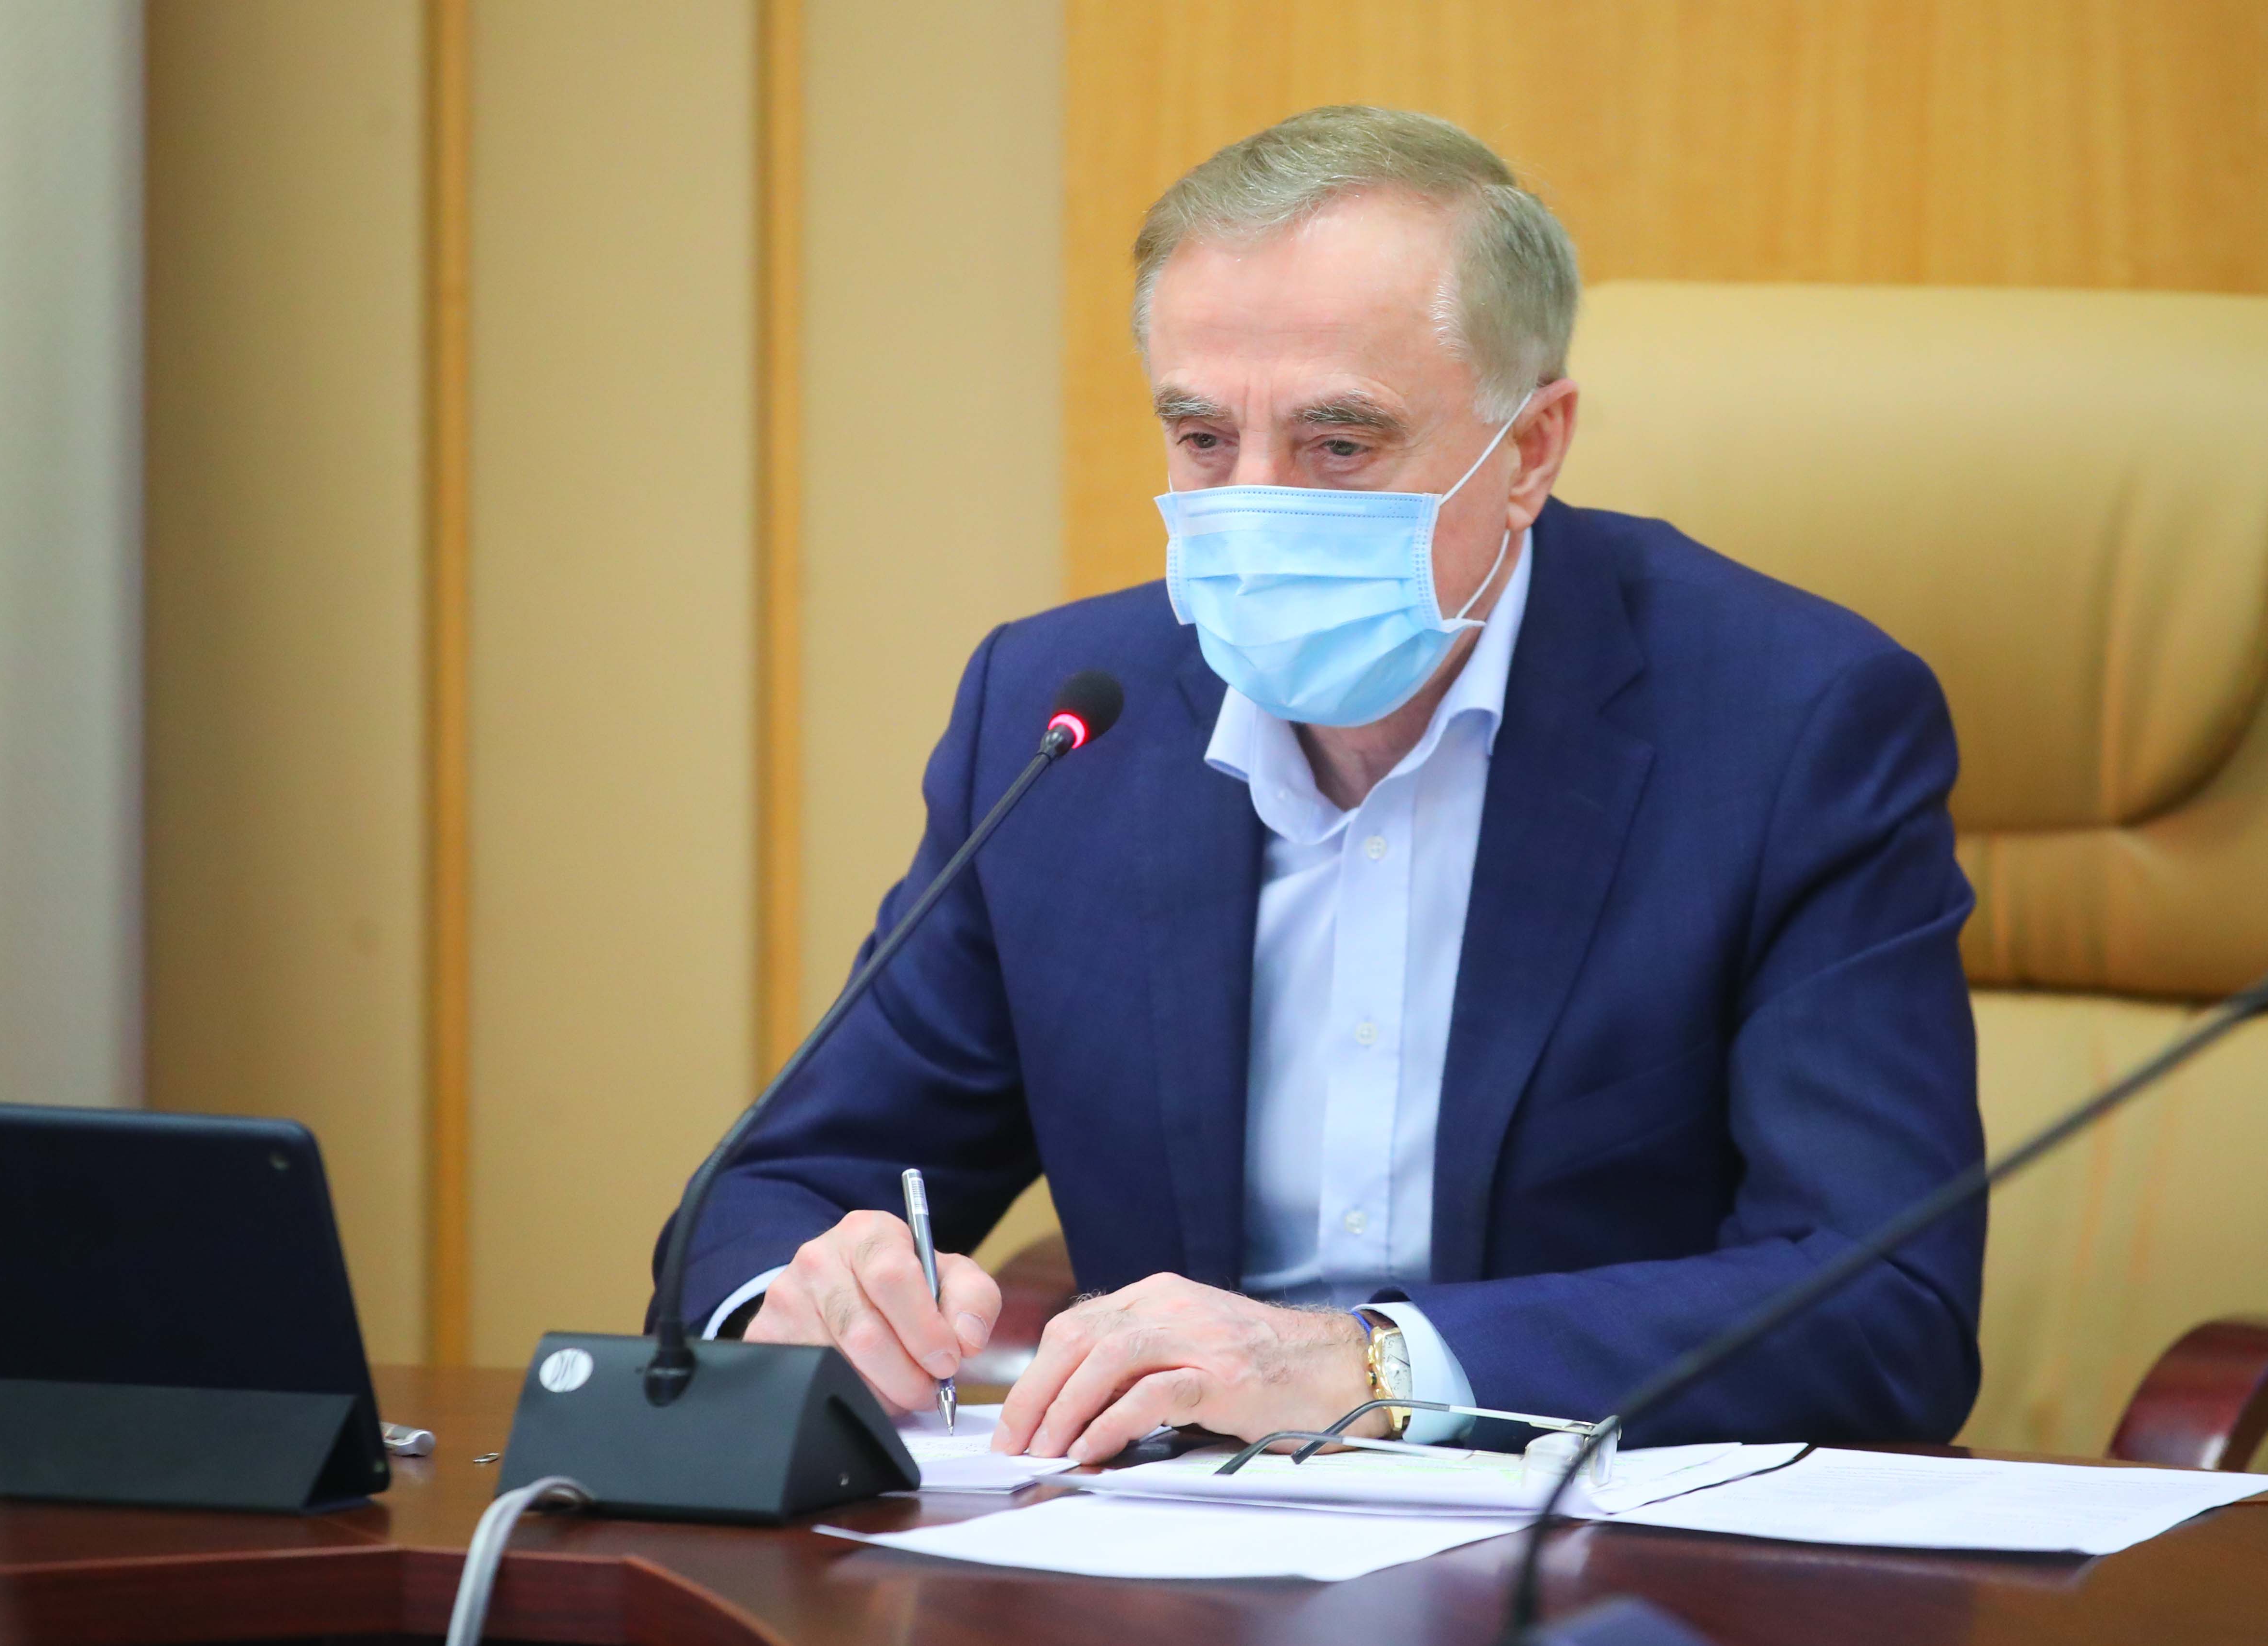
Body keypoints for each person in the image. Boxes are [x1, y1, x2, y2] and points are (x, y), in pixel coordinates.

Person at [656, 105, 1984, 1464]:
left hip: (1593, 1534)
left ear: (1530, 450)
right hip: (1160, 1544)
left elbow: (1885, 1305)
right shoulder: (1061, 720)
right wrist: (806, 1299)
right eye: (1202, 440)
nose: (1254, 506)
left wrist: (1373, 1368)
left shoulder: (1789, 724)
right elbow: (777, 1188)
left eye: (1338, 445)